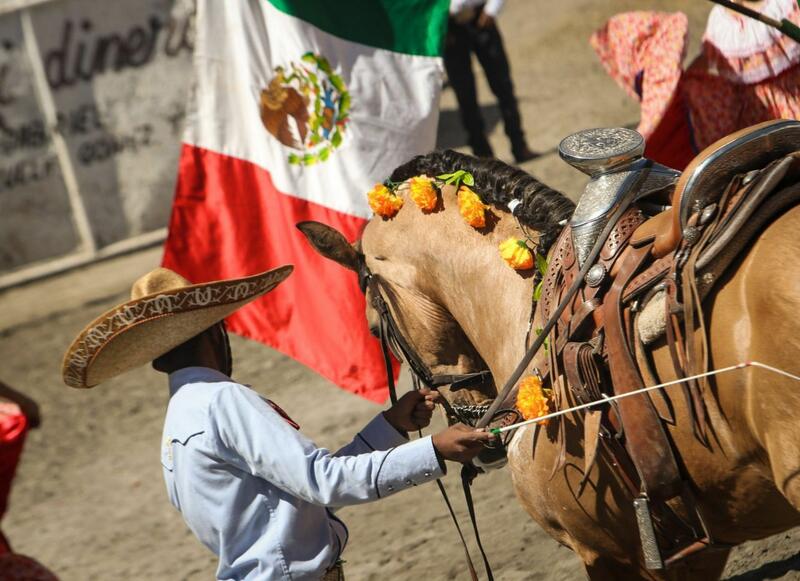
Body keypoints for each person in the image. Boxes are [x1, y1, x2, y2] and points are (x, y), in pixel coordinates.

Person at [62, 266, 495, 580]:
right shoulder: (223, 401)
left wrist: (389, 427)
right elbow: (322, 483)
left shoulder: (179, 418)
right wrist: (432, 450)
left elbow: (295, 500)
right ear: (216, 334)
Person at [591, 0, 800, 170]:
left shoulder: (787, 5)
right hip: (752, 124)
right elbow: (707, 63)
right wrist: (676, 91)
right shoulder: (721, 24)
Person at [445, 0, 536, 162]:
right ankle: (483, 157)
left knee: (503, 86)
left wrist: (492, 9)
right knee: (465, 95)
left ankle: (519, 145)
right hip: (449, 27)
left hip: (482, 17)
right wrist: (439, 28)